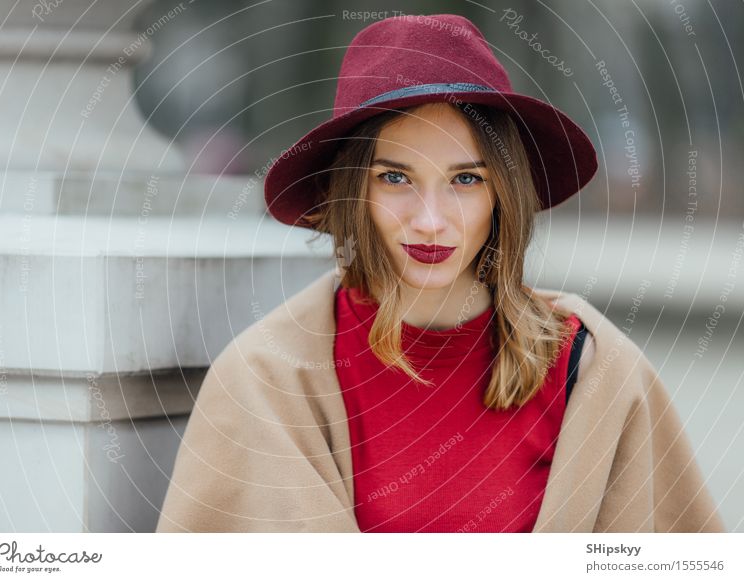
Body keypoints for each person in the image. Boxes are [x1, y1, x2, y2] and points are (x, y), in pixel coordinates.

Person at [156, 13, 724, 533]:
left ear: (504, 193)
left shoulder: (594, 370)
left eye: (466, 179)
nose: (431, 221)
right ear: (352, 191)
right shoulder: (266, 378)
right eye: (395, 178)